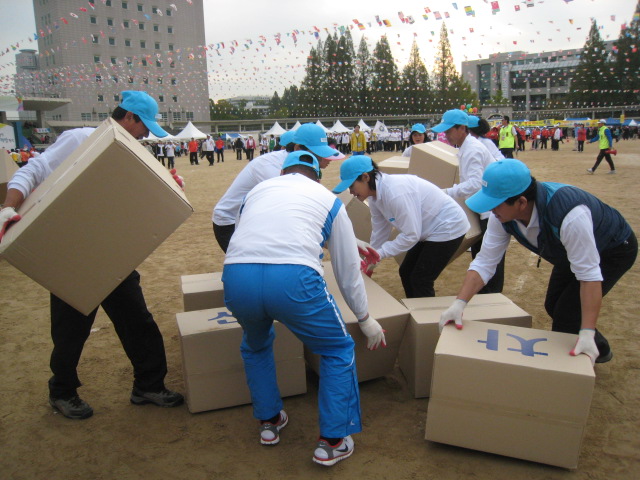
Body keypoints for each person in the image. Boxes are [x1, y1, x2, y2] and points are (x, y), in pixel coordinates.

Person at [0, 90, 184, 420]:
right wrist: (8, 208)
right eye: (144, 128)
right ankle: (62, 392)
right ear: (129, 117)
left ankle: (149, 385)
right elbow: (33, 170)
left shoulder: (130, 150)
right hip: (72, 254)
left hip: (112, 253)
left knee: (137, 321)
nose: (145, 136)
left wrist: (166, 185)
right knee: (71, 331)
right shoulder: (82, 138)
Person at [222, 150, 385, 467]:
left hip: (237, 274)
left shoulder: (258, 191)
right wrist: (365, 319)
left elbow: (256, 234)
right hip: (293, 279)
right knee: (338, 349)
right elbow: (347, 271)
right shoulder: (328, 199)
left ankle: (268, 422)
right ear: (318, 176)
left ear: (283, 173)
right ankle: (333, 440)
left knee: (255, 345)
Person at [439, 159, 637, 365]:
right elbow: (485, 261)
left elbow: (589, 276)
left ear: (522, 202)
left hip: (613, 249)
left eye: (494, 203)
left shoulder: (569, 216)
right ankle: (599, 346)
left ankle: (580, 362)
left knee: (567, 315)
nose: (490, 210)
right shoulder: (502, 217)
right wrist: (459, 304)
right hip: (568, 252)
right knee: (553, 305)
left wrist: (586, 331)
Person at [333, 155, 470, 298]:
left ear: (366, 177)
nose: (351, 192)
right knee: (406, 271)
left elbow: (411, 235)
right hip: (427, 228)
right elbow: (380, 231)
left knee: (420, 278)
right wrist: (370, 260)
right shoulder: (374, 197)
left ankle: (425, 317)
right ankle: (415, 309)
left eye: (351, 186)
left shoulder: (395, 193)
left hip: (448, 226)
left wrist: (380, 254)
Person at [212, 123, 342, 253]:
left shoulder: (299, 166)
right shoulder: (272, 167)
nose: (323, 158)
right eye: (318, 153)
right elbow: (293, 208)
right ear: (297, 148)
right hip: (229, 222)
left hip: (253, 220)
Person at [432, 110, 503, 293]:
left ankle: (491, 296)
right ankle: (485, 292)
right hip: (484, 208)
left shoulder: (472, 149)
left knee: (489, 257)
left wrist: (447, 192)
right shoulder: (465, 147)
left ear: (462, 128)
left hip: (492, 211)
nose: (446, 135)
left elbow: (475, 183)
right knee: (481, 256)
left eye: (449, 131)